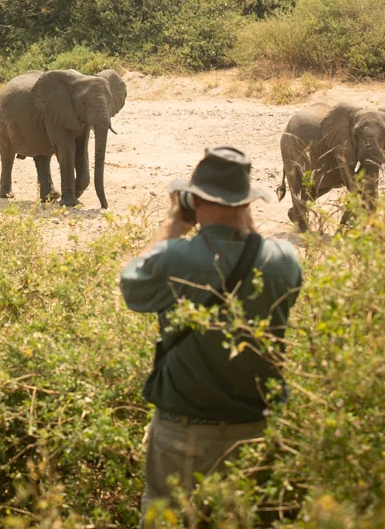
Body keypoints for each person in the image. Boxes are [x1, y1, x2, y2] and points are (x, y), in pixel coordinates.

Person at [120, 147, 302, 525]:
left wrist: (174, 223)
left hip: (181, 432)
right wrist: (242, 223)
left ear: (196, 198)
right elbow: (259, 255)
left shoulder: (175, 259)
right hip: (257, 430)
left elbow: (131, 286)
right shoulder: (284, 259)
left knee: (167, 518)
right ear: (247, 201)